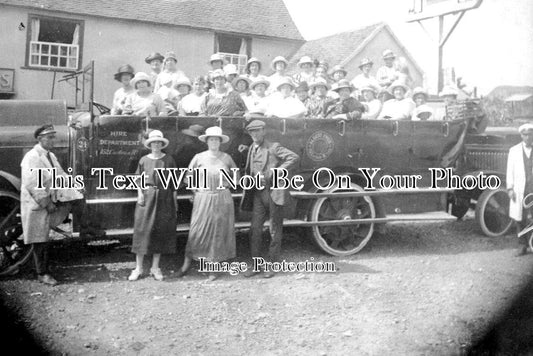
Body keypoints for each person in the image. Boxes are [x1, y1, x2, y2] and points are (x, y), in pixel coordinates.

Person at [20, 125, 99, 285]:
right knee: (39, 239)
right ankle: (42, 273)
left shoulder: (50, 156)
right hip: (36, 203)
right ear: (39, 139)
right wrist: (47, 203)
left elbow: (61, 174)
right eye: (48, 137)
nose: (52, 140)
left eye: (53, 137)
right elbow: (32, 183)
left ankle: (85, 227)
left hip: (52, 196)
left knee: (78, 197)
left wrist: (75, 185)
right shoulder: (32, 157)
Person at [177, 126, 237, 281]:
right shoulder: (199, 157)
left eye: (216, 139)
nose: (214, 142)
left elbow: (236, 177)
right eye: (211, 139)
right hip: (203, 198)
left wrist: (226, 185)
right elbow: (188, 177)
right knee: (197, 230)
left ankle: (213, 267)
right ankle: (186, 264)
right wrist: (195, 190)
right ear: (207, 141)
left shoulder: (226, 157)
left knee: (217, 232)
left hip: (222, 198)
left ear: (220, 141)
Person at [241, 120, 299, 278]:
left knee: (274, 230)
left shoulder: (274, 147)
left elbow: (293, 157)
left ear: (264, 131)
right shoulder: (252, 148)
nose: (254, 134)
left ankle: (272, 265)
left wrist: (276, 171)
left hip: (274, 193)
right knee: (255, 229)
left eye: (257, 131)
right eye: (251, 132)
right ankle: (256, 265)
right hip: (258, 194)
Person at [129, 130, 177, 281]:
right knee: (142, 230)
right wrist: (140, 194)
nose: (156, 145)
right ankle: (138, 268)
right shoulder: (144, 160)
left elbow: (174, 184)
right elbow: (138, 179)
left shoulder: (168, 160)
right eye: (153, 142)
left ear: (162, 144)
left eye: (158, 142)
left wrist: (174, 202)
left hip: (164, 198)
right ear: (149, 145)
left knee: (160, 231)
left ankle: (155, 267)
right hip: (147, 197)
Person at [507, 124, 533, 256]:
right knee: (520, 218)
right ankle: (522, 245)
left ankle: (532, 244)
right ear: (521, 135)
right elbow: (509, 171)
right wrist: (510, 188)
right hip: (520, 189)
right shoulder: (514, 151)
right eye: (525, 134)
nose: (528, 137)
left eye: (530, 134)